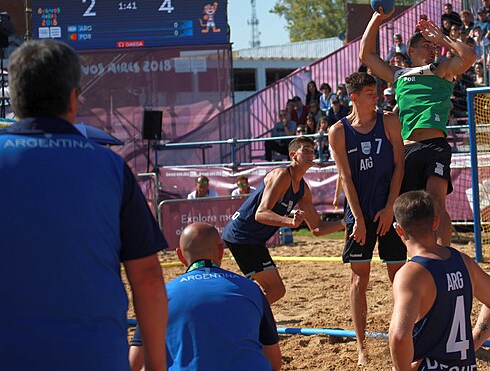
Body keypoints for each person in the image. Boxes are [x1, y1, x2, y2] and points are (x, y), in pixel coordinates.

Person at [0, 40, 168, 370]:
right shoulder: (110, 167)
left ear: (15, 99)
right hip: (93, 356)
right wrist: (158, 366)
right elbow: (147, 277)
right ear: (73, 98)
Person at [360, 8, 477, 246]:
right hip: (406, 149)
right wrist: (376, 18)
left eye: (433, 46)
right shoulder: (399, 74)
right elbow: (366, 54)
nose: (432, 49)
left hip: (434, 145)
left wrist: (442, 39)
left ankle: (444, 255)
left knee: (435, 202)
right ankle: (417, 252)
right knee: (407, 206)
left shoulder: (442, 69)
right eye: (426, 45)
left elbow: (469, 57)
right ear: (411, 51)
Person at [328, 72, 406, 365]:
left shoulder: (389, 122)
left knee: (399, 277)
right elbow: (345, 178)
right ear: (354, 97)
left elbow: (399, 167)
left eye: (377, 92)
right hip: (359, 212)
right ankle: (362, 347)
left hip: (388, 209)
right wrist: (358, 218)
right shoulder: (338, 131)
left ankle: (404, 335)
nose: (377, 97)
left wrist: (390, 208)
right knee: (360, 280)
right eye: (371, 93)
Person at [129, 223, 281, 371]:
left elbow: (134, 363)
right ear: (221, 251)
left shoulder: (160, 295)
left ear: (180, 256)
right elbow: (274, 362)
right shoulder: (252, 289)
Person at [388, 191, 490, 371]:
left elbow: (399, 337)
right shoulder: (464, 262)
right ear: (436, 222)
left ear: (398, 229)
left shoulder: (411, 274)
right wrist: (471, 345)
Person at [222, 136, 344, 303]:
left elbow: (317, 228)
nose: (311, 154)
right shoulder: (282, 175)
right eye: (305, 151)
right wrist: (290, 222)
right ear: (293, 155)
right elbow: (261, 213)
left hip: (254, 240)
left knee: (276, 290)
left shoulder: (302, 188)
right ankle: (246, 318)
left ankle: (248, 316)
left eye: (312, 151)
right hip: (241, 235)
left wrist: (346, 223)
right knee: (275, 290)